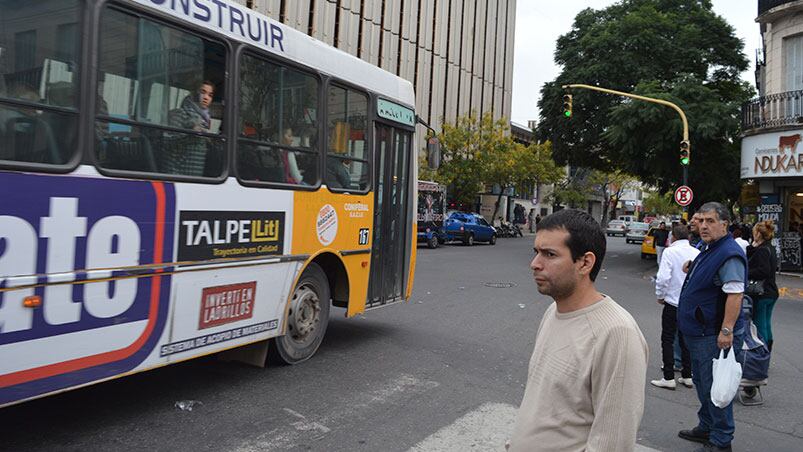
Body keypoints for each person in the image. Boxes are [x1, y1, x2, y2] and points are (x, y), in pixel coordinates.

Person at [509, 209, 648, 452]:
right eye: (536, 252)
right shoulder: (553, 312)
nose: (534, 264)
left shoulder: (617, 333)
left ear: (585, 263)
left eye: (549, 254)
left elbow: (612, 444)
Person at [677, 202, 745, 452]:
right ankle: (706, 427)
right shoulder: (710, 247)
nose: (703, 225)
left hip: (711, 334)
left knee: (715, 388)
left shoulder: (729, 252)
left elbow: (735, 294)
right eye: (701, 220)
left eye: (710, 221)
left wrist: (726, 330)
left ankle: (721, 440)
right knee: (702, 383)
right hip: (698, 331)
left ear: (725, 224)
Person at [651, 223, 699, 390]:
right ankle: (687, 374)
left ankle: (669, 377)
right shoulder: (697, 252)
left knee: (668, 338)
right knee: (686, 339)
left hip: (672, 301)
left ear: (673, 236)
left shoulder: (670, 252)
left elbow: (663, 277)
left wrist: (660, 296)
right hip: (689, 303)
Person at [164, 80, 215, 176]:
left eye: (210, 95)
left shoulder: (205, 120)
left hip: (195, 175)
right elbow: (168, 142)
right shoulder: (179, 113)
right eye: (203, 92)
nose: (206, 98)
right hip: (179, 174)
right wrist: (191, 132)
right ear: (194, 93)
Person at [747, 220, 778, 352]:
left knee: (760, 324)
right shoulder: (769, 248)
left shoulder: (762, 251)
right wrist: (752, 247)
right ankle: (767, 349)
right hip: (771, 291)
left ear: (758, 234)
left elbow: (763, 271)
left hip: (761, 292)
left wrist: (746, 273)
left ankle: (762, 351)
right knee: (766, 322)